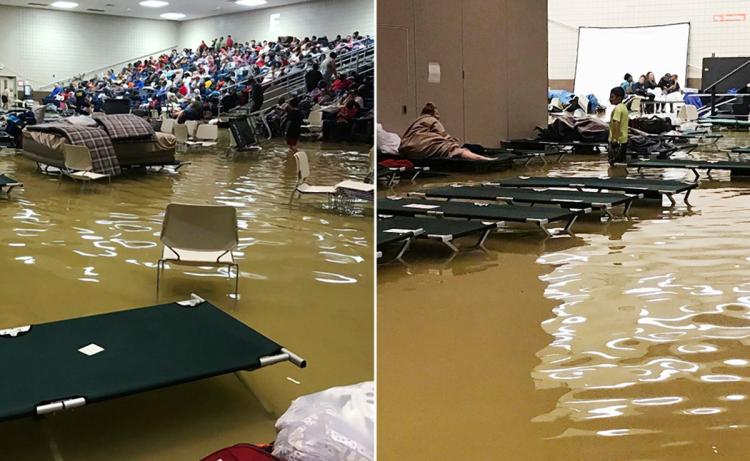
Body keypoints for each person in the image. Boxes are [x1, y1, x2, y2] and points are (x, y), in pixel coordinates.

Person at [399, 103, 492, 161]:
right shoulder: (432, 120)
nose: (439, 117)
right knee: (452, 148)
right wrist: (455, 144)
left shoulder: (417, 121)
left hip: (407, 150)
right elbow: (444, 135)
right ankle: (483, 159)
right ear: (432, 114)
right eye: (437, 114)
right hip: (420, 149)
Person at [608, 87, 629, 165]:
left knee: (614, 164)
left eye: (612, 97)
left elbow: (616, 123)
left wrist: (614, 140)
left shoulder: (618, 109)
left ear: (619, 98)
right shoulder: (624, 107)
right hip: (623, 141)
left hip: (617, 142)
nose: (610, 99)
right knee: (620, 164)